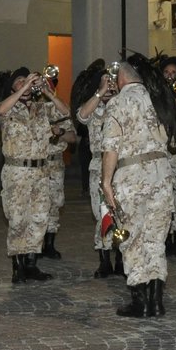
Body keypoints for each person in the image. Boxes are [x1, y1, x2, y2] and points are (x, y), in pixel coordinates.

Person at [101, 54, 176, 317]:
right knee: (156, 239)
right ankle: (157, 300)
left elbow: (111, 147)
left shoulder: (118, 103)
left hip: (131, 176)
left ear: (120, 78)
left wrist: (106, 182)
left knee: (132, 239)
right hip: (160, 176)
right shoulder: (160, 99)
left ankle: (140, 301)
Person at [0, 67, 67, 284]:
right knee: (17, 219)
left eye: (28, 80)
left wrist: (48, 92)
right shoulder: (6, 108)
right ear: (13, 86)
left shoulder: (41, 108)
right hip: (17, 171)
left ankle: (32, 264)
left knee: (40, 218)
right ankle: (18, 266)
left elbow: (64, 112)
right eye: (20, 80)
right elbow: (0, 113)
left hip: (41, 171)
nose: (26, 83)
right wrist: (24, 87)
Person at [73, 59, 124, 279]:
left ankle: (122, 258)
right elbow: (81, 116)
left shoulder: (123, 105)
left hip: (122, 167)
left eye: (112, 81)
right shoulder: (93, 108)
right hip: (98, 166)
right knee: (101, 213)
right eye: (105, 81)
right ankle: (104, 259)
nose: (109, 85)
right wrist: (100, 91)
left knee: (122, 213)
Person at [156, 54, 176, 257]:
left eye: (174, 73)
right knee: (164, 198)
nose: (170, 76)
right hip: (162, 155)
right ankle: (166, 237)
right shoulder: (157, 96)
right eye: (167, 72)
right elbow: (160, 118)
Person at [42, 112, 75, 260]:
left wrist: (59, 132)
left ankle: (49, 244)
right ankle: (34, 245)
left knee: (55, 203)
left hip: (55, 164)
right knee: (37, 204)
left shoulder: (59, 112)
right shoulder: (31, 110)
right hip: (36, 164)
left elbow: (72, 138)